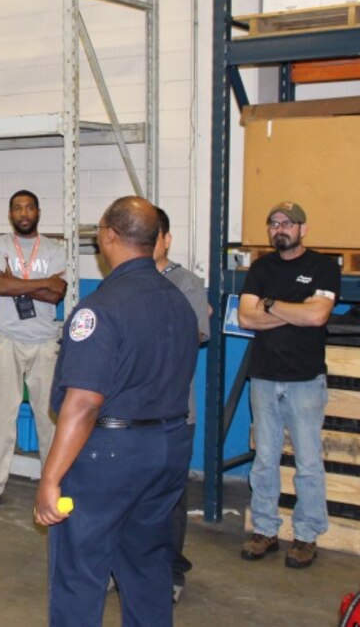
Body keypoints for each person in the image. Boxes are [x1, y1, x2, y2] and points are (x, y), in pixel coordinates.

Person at [34, 196, 199, 627]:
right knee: (146, 564)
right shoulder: (178, 302)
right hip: (168, 448)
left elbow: (84, 402)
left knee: (80, 571)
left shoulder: (99, 309)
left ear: (109, 236)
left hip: (111, 455)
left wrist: (50, 479)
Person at [238, 201, 340, 569]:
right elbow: (246, 317)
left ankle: (306, 535)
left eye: (287, 223)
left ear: (303, 228)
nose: (279, 229)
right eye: (273, 223)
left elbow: (317, 316)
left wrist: (270, 305)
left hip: (305, 380)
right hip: (264, 377)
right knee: (264, 460)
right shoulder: (261, 268)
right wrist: (294, 310)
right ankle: (265, 529)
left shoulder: (323, 267)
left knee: (308, 462)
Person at [0, 190, 67, 512]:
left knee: (49, 416)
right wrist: (41, 283)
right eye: (17, 208)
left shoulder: (56, 248)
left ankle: (52, 482)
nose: (23, 213)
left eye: (29, 207)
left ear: (38, 211)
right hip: (6, 339)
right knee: (0, 415)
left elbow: (58, 295)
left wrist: (18, 281)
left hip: (44, 342)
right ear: (10, 213)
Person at [153, 206, 212, 603]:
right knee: (128, 493)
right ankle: (123, 567)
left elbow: (196, 334)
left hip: (174, 410)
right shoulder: (123, 281)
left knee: (172, 494)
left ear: (166, 239)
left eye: (152, 235)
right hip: (130, 412)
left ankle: (171, 572)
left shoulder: (187, 283)